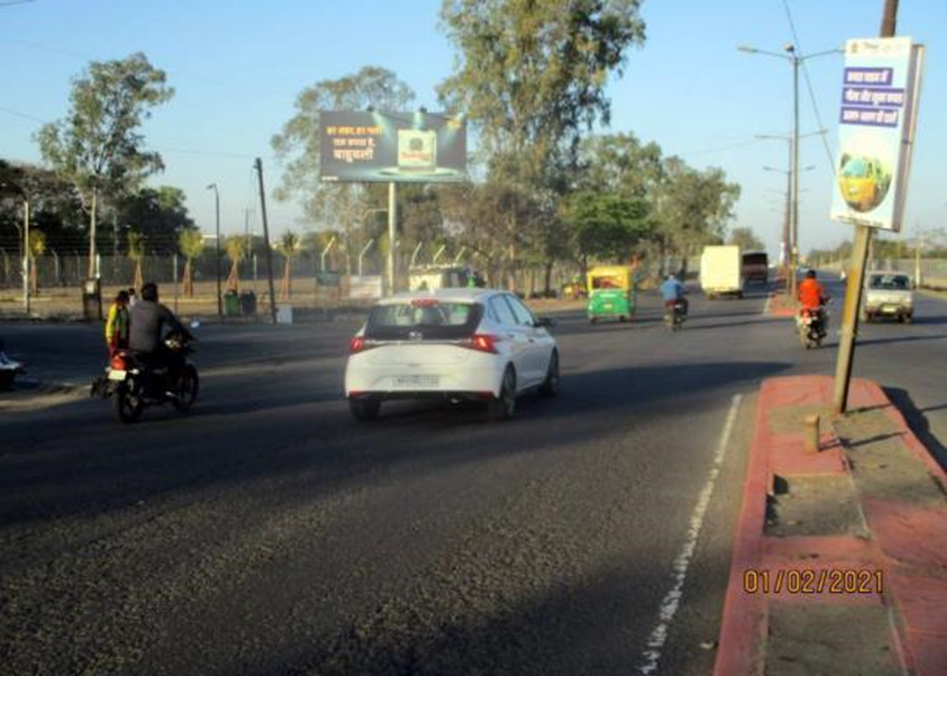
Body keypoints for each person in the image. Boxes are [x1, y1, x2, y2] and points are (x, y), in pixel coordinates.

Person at [129, 282, 190, 368]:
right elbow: (175, 324)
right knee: (174, 355)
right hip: (150, 348)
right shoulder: (159, 309)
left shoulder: (134, 307)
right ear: (155, 295)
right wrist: (187, 334)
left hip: (132, 347)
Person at [104, 290, 130, 357]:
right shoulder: (114, 308)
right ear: (123, 299)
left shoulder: (124, 309)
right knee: (116, 356)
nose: (128, 300)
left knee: (123, 356)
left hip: (123, 336)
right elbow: (110, 323)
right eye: (127, 298)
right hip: (115, 337)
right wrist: (109, 336)